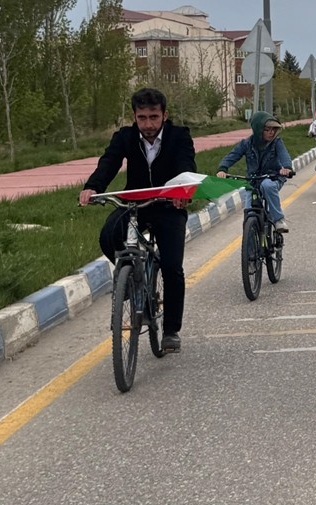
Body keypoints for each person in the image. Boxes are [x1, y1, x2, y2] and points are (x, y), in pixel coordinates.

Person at [79, 87, 196, 353]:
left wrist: (182, 192)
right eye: (142, 118)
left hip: (168, 205)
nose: (148, 124)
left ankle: (170, 331)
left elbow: (186, 164)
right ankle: (133, 282)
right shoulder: (125, 136)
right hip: (135, 204)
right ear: (134, 116)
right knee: (109, 235)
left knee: (172, 267)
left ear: (164, 115)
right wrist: (93, 187)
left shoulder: (179, 136)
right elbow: (109, 162)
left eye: (154, 117)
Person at [217, 112, 295, 232]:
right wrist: (223, 168)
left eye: (273, 130)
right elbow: (232, 156)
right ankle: (250, 237)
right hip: (253, 181)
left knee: (267, 185)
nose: (271, 133)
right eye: (267, 130)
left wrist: (287, 168)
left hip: (273, 177)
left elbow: (284, 155)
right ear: (258, 130)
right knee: (249, 212)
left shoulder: (276, 142)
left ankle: (278, 219)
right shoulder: (246, 144)